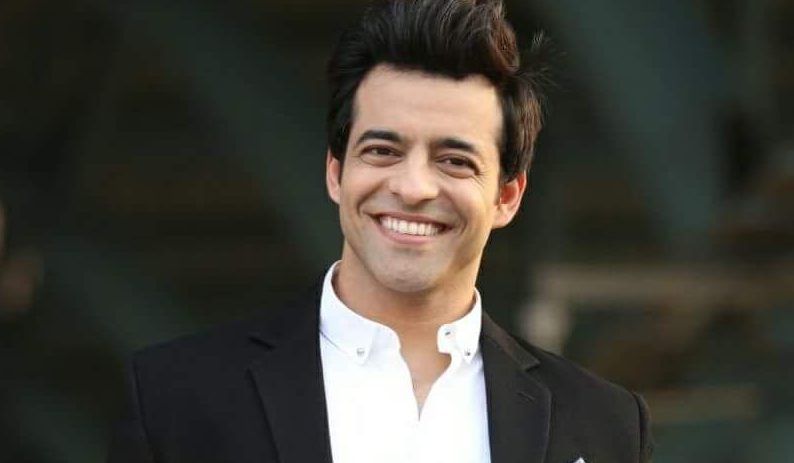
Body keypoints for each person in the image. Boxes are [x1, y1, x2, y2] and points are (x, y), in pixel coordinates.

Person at [107, 1, 653, 462]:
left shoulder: (604, 425)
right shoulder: (176, 400)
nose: (413, 187)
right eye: (383, 150)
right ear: (335, 171)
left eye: (455, 161)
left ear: (507, 196)